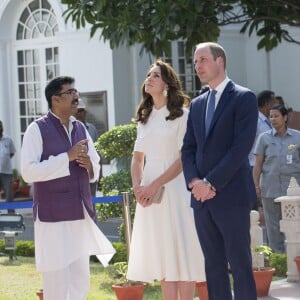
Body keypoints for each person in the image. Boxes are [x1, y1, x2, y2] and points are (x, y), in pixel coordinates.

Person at [20, 76, 115, 300]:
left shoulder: (81, 128)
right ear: (55, 99)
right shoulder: (36, 129)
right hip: (51, 216)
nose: (76, 96)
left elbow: (95, 165)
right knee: (56, 281)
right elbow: (28, 171)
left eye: (76, 91)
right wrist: (67, 157)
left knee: (81, 280)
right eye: (70, 92)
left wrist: (90, 167)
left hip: (79, 213)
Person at [181, 42, 258, 300]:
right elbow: (188, 148)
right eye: (195, 62)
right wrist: (194, 181)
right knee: (212, 266)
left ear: (220, 61)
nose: (197, 66)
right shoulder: (198, 104)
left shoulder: (243, 97)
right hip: (201, 200)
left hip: (231, 196)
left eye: (202, 59)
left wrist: (210, 182)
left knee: (240, 264)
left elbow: (240, 148)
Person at [126, 59, 206, 300]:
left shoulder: (183, 116)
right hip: (149, 193)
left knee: (181, 250)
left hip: (175, 187)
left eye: (155, 75)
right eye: (148, 75)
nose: (148, 78)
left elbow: (183, 159)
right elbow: (137, 158)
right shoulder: (144, 117)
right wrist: (138, 188)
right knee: (161, 252)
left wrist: (154, 185)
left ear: (167, 85)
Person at [253, 104, 300, 253]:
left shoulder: (297, 137)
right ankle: (278, 259)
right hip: (270, 189)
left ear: (285, 117)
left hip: (294, 192)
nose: (273, 119)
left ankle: (295, 257)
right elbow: (258, 165)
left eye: (276, 116)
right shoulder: (264, 138)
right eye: (270, 116)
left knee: (295, 224)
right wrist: (256, 186)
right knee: (273, 227)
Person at [248, 90, 275, 210]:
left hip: (266, 166)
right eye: (273, 102)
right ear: (266, 104)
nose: (275, 105)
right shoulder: (256, 121)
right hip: (254, 165)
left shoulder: (267, 121)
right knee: (254, 200)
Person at [74, 98, 99, 197]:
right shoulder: (69, 130)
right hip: (77, 176)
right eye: (77, 111)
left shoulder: (92, 128)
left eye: (82, 111)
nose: (80, 114)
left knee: (91, 206)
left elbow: (97, 153)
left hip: (91, 174)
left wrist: (99, 176)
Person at [0, 120, 16, 213]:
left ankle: (11, 215)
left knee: (9, 195)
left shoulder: (8, 139)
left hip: (6, 172)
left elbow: (12, 153)